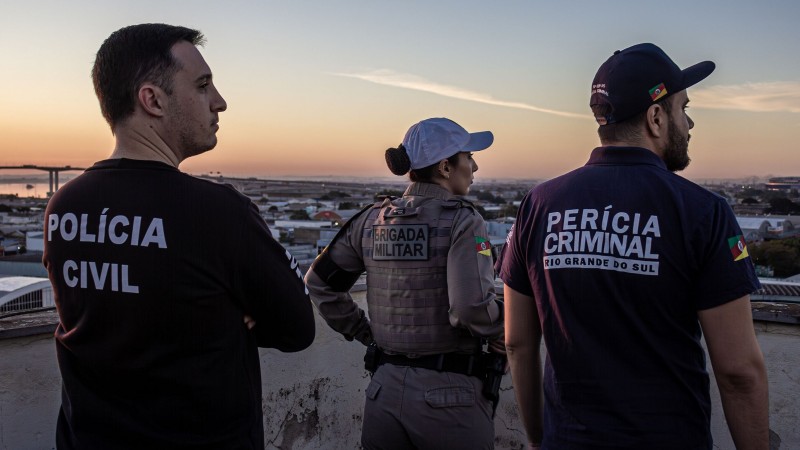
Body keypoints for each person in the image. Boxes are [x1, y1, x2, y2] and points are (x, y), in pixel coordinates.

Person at [43, 23, 315, 449]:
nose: (219, 102)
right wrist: (234, 313)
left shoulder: (64, 206)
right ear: (152, 99)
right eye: (203, 85)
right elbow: (298, 328)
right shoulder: (218, 211)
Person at [499, 43, 769, 450]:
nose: (690, 123)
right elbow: (738, 372)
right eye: (684, 108)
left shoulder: (540, 204)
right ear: (656, 116)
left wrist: (540, 439)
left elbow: (518, 343)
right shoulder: (702, 212)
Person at [304, 117, 505, 449]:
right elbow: (471, 309)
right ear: (445, 166)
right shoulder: (466, 223)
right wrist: (504, 326)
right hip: (450, 400)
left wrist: (367, 333)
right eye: (468, 157)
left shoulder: (370, 220)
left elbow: (319, 282)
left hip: (383, 392)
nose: (475, 166)